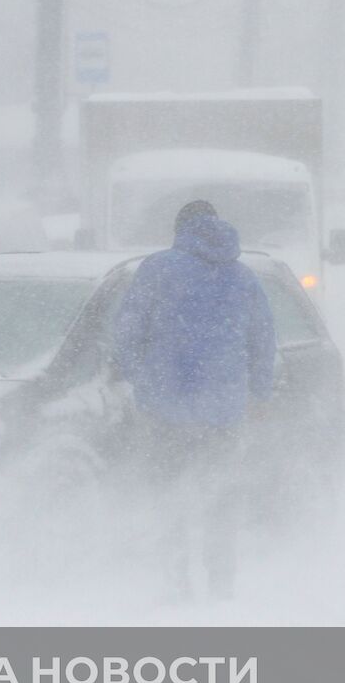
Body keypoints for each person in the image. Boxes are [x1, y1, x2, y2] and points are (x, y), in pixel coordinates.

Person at [111, 199, 276, 601]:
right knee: (221, 497)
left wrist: (138, 377)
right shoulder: (243, 277)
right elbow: (263, 339)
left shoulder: (157, 270)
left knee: (170, 496)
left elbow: (127, 331)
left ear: (180, 229)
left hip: (166, 409)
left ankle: (177, 584)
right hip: (224, 411)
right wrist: (258, 392)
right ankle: (222, 584)